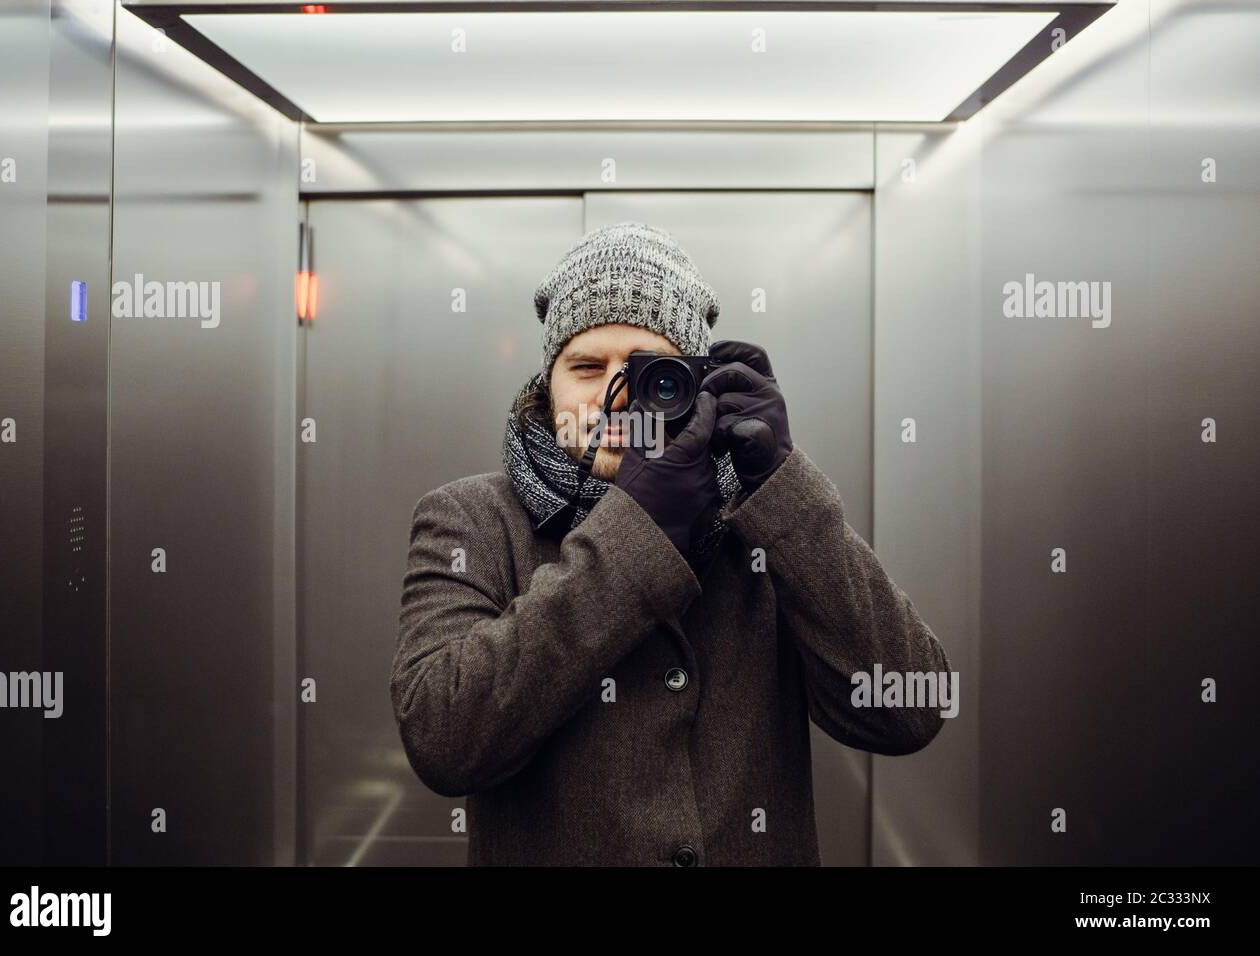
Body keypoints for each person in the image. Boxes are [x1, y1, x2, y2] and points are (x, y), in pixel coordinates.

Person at [390, 221, 952, 866]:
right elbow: (442, 736)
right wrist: (639, 529)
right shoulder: (471, 519)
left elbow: (911, 707)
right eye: (586, 367)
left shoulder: (762, 519)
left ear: (692, 386)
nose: (613, 396)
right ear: (548, 389)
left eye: (648, 372)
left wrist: (782, 485)